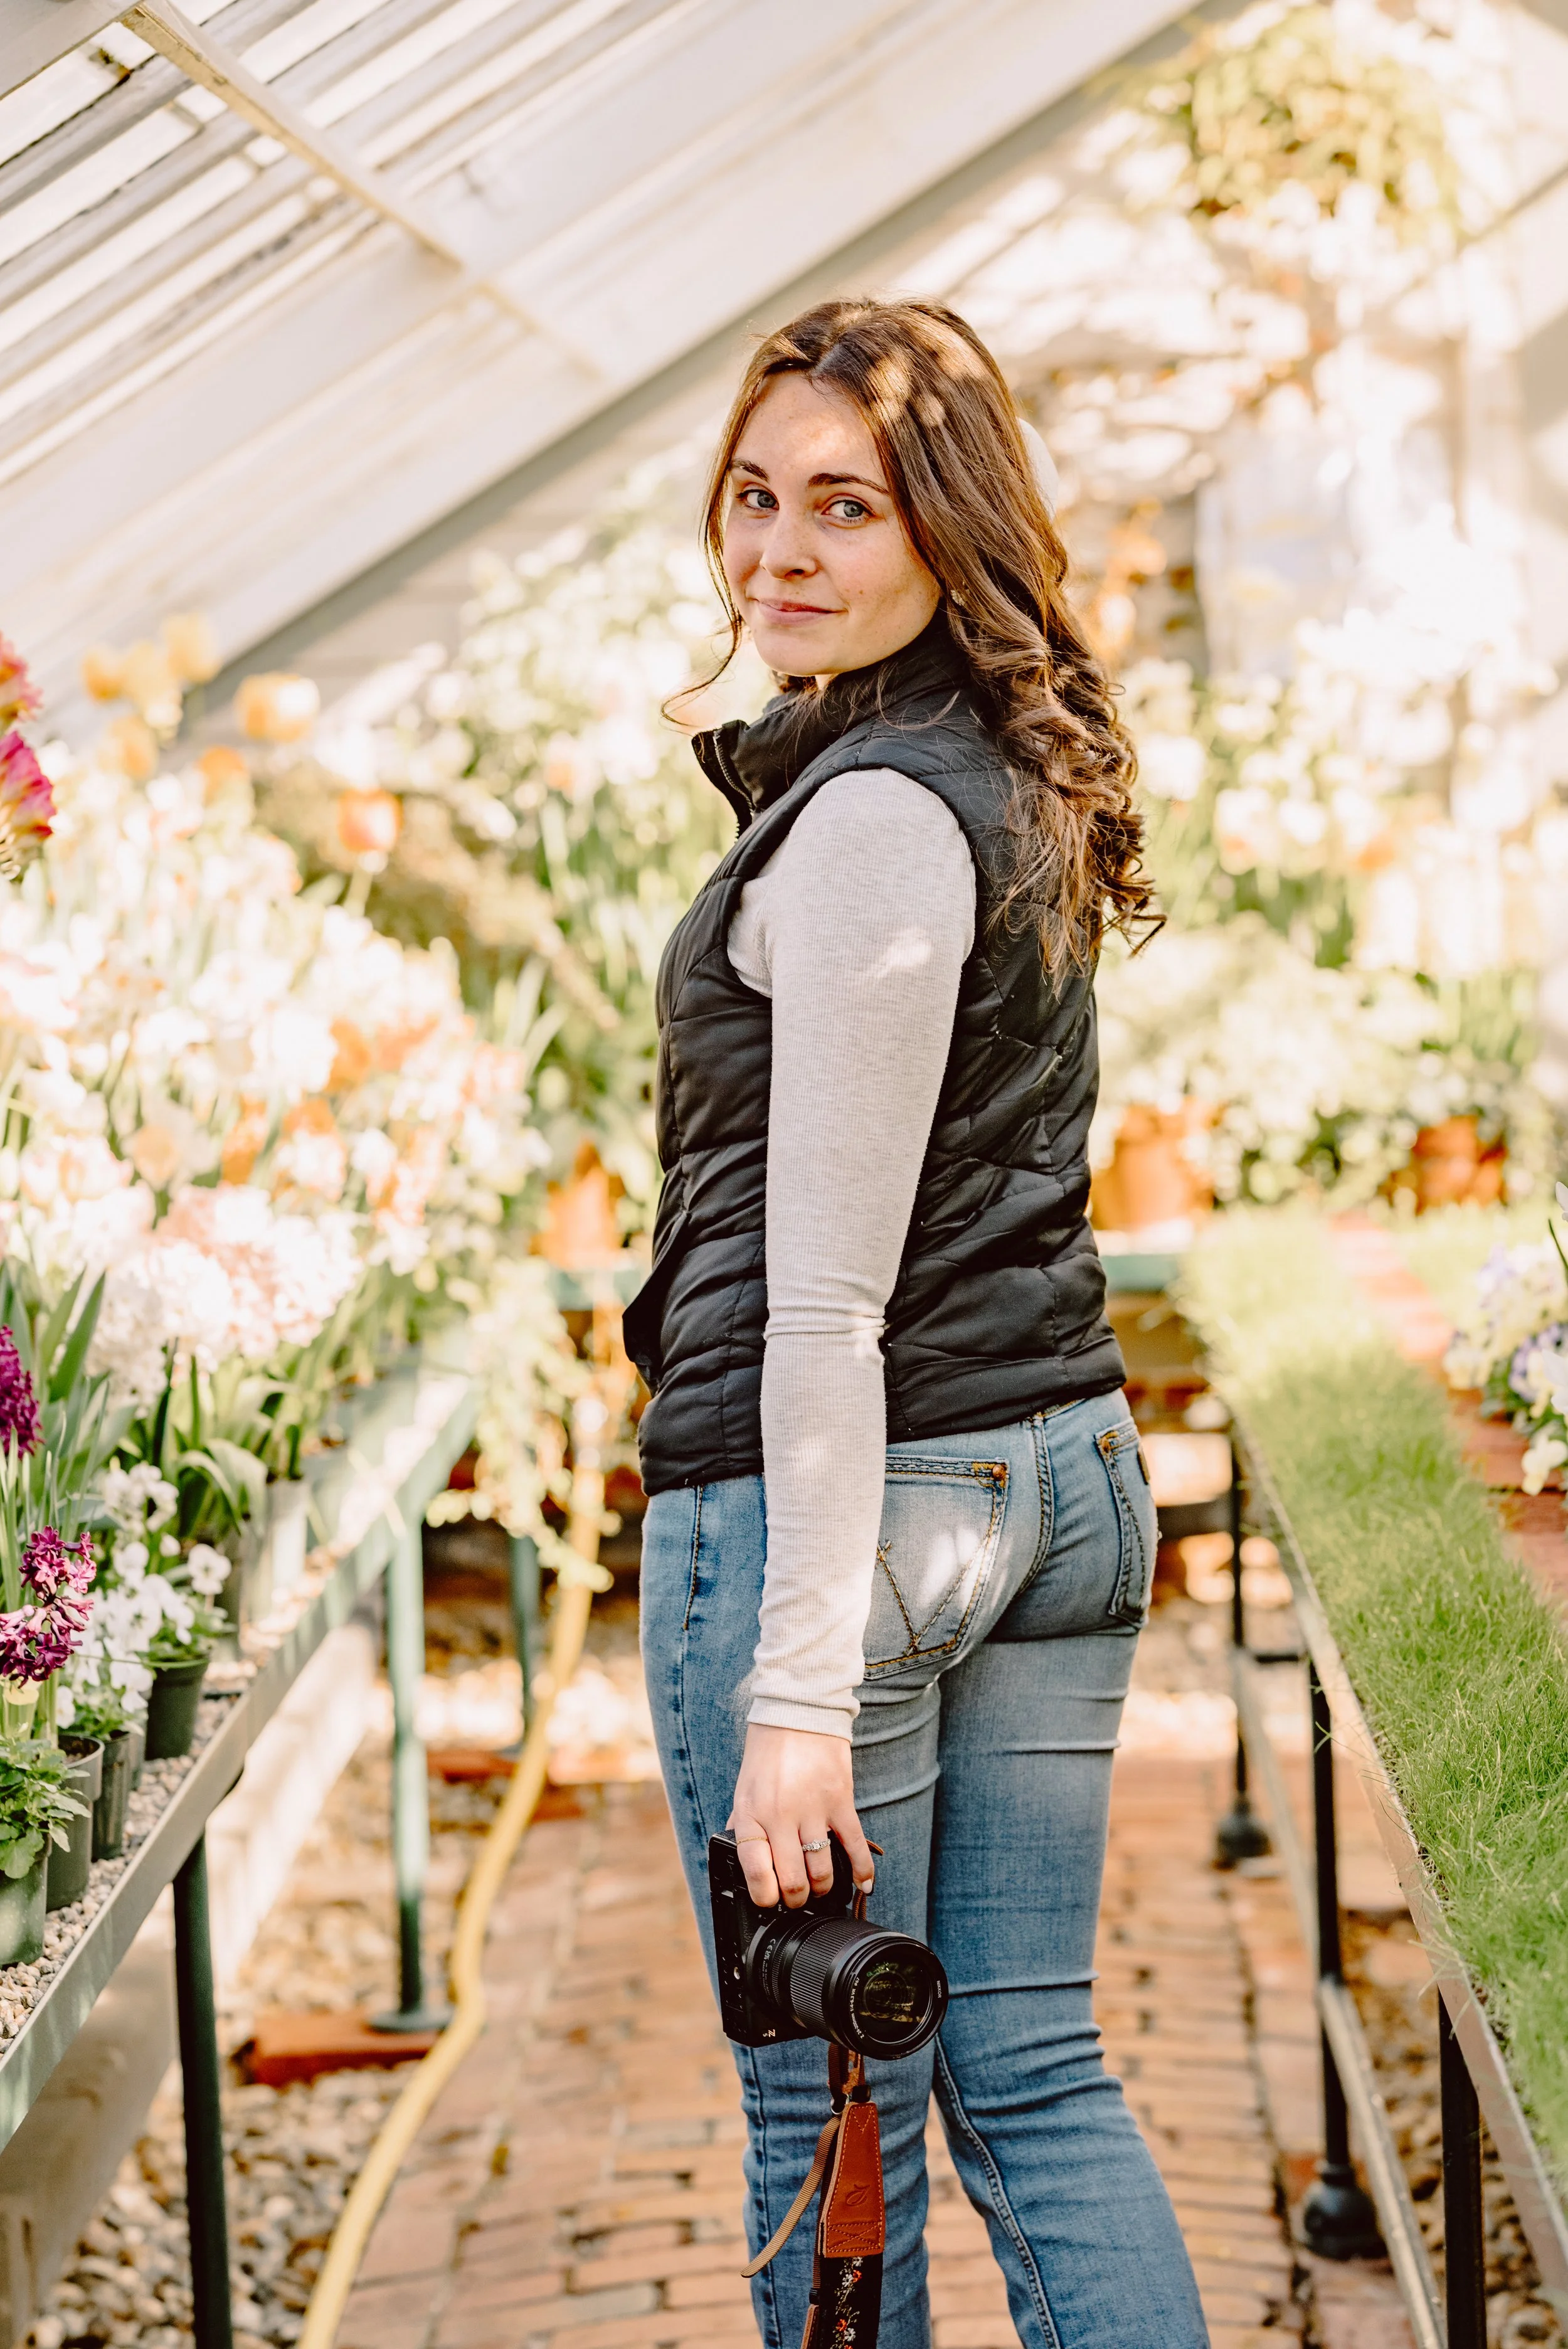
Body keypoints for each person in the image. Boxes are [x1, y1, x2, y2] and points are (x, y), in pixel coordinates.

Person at [627, 297, 1208, 2349]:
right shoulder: (969, 780)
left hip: (862, 1525)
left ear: (943, 538)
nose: (775, 550)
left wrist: (795, 1692)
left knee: (826, 2107)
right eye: (753, 495)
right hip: (1050, 1479)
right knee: (1031, 2073)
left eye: (842, 509)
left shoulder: (878, 819)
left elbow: (827, 1299)